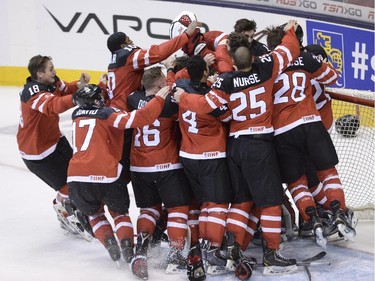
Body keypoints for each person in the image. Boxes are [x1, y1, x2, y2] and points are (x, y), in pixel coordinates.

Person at [173, 20, 301, 276]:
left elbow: (205, 105)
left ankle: (231, 245)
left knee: (242, 200)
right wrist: (289, 31)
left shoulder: (225, 81)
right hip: (259, 146)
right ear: (252, 58)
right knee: (271, 202)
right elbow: (289, 51)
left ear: (233, 60)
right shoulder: (266, 68)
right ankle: (272, 255)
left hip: (235, 147)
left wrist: (182, 97)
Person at [267, 27, 356, 246]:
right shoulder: (304, 58)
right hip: (310, 122)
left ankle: (311, 220)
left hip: (282, 131)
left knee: (297, 181)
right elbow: (332, 77)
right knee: (327, 172)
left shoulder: (265, 63)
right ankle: (339, 213)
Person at [67, 83, 170, 265]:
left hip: (76, 177)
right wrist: (159, 98)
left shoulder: (76, 114)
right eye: (99, 97)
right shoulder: (106, 114)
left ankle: (109, 243)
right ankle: (128, 248)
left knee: (95, 215)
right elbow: (141, 117)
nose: (102, 99)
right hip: (106, 174)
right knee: (120, 214)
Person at [16, 55, 92, 239]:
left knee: (77, 177)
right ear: (39, 73)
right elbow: (53, 105)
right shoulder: (32, 93)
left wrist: (79, 84)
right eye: (51, 69)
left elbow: (65, 88)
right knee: (66, 186)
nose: (55, 71)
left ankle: (69, 207)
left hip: (55, 141)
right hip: (37, 154)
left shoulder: (52, 82)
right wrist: (77, 98)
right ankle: (62, 211)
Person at [126, 67, 192, 279]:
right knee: (178, 208)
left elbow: (138, 96)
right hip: (166, 165)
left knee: (148, 209)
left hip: (139, 167)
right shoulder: (169, 104)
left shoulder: (133, 99)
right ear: (161, 85)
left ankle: (141, 250)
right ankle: (175, 256)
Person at [173, 55, 232, 279]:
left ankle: (198, 248)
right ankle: (213, 250)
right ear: (206, 74)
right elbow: (228, 117)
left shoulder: (179, 90)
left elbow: (177, 78)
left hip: (187, 155)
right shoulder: (209, 98)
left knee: (200, 203)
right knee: (216, 203)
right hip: (211, 155)